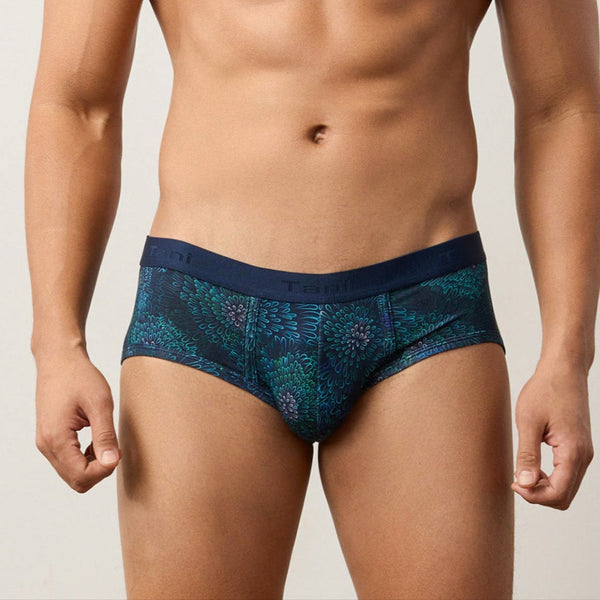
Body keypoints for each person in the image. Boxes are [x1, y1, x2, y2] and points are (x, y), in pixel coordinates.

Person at [24, 0, 599, 598]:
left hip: (425, 314)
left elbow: (563, 108)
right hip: (203, 317)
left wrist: (568, 357)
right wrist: (57, 344)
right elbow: (77, 104)